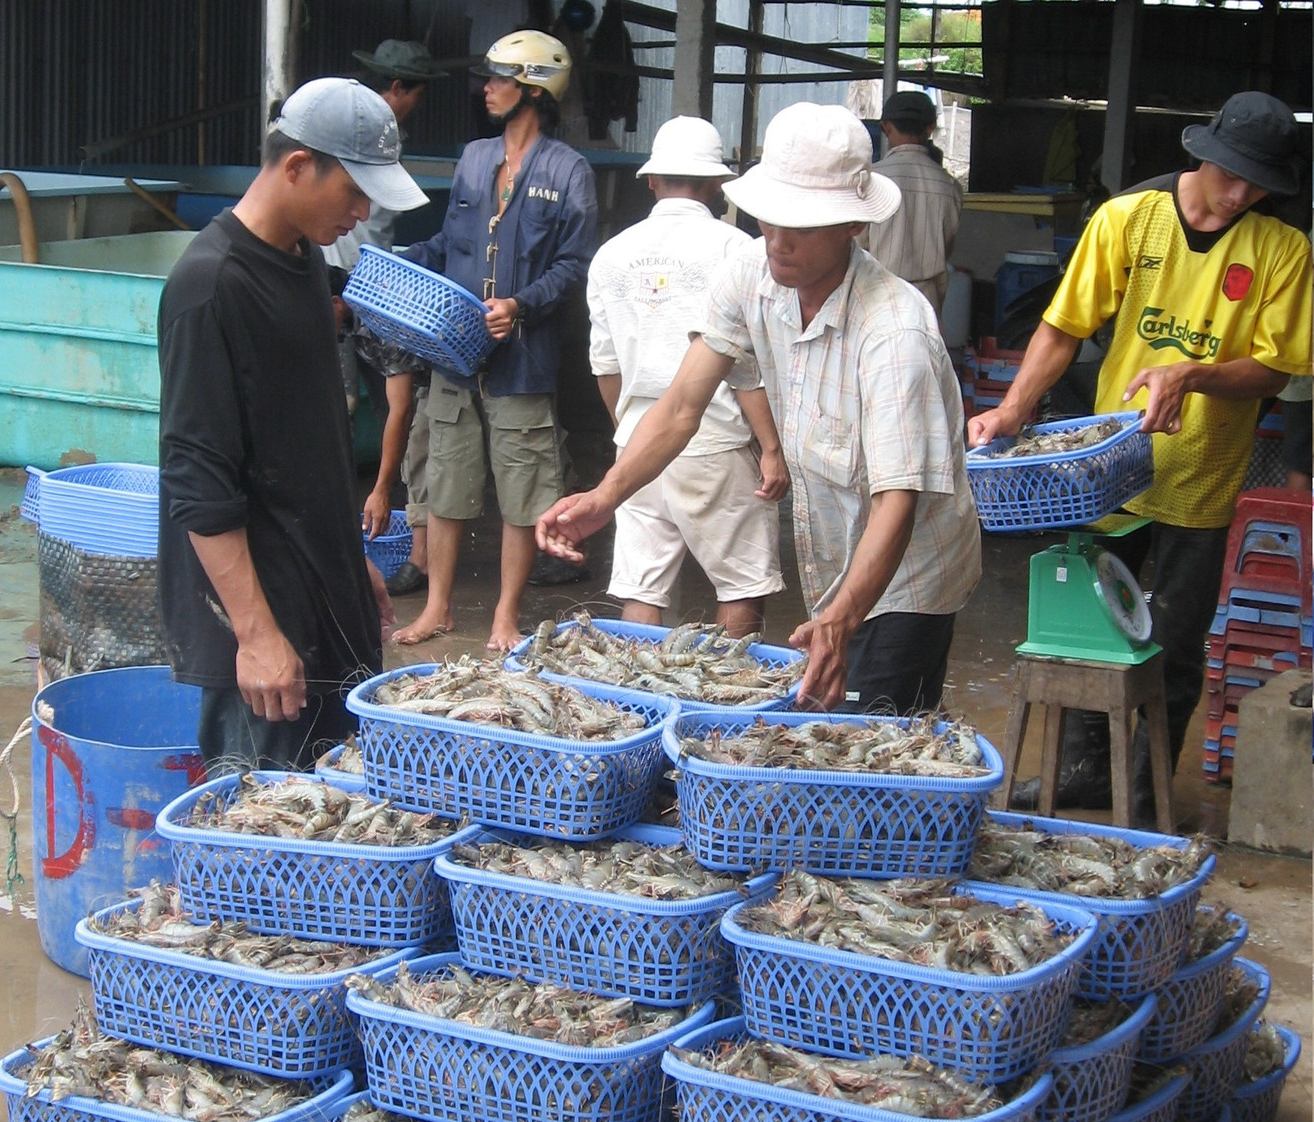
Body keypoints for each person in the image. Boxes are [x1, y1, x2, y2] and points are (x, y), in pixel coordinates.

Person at [538, 103, 982, 714]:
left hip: (910, 570)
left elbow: (896, 500)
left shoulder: (895, 329)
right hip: (834, 550)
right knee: (826, 728)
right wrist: (603, 497)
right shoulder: (750, 270)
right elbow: (678, 409)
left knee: (877, 741)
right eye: (770, 216)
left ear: (854, 226)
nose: (777, 238)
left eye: (802, 223)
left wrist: (840, 620)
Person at [968, 91, 1313, 821]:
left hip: (1204, 474)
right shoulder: (1129, 217)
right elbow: (1063, 327)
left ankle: (1149, 790)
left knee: (1175, 643)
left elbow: (1276, 370)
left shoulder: (1283, 249)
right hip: (1111, 469)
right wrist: (1013, 407)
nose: (1242, 193)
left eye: (1259, 184)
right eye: (1233, 175)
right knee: (1089, 627)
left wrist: (1192, 373)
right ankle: (1087, 774)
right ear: (1204, 153)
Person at [158, 77, 426, 774]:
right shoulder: (211, 287)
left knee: (341, 816)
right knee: (265, 837)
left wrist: (348, 556)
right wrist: (255, 635)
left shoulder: (306, 261)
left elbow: (308, 439)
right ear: (298, 166)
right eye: (354, 192)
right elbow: (198, 478)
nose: (363, 212)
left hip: (324, 597)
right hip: (266, 630)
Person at [391, 30, 598, 651]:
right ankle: (438, 609)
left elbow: (574, 265)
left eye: (500, 78)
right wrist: (398, 262)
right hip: (456, 355)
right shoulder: (474, 157)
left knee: (521, 493)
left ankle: (506, 615)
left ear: (534, 88)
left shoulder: (569, 171)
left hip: (525, 360)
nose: (488, 89)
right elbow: (449, 243)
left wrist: (520, 304)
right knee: (447, 487)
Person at [586, 116, 788, 638]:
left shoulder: (611, 254)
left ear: (652, 181)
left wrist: (631, 432)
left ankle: (635, 697)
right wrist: (770, 446)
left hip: (636, 440)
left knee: (641, 586)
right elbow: (749, 364)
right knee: (741, 582)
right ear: (718, 184)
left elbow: (606, 367)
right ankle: (729, 702)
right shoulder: (738, 250)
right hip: (716, 437)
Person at [323, 40, 448, 597]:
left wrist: (380, 490)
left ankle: (383, 524)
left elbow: (399, 409)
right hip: (340, 282)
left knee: (399, 411)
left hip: (368, 288)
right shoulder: (346, 130)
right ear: (399, 88)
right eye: (418, 93)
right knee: (337, 405)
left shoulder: (383, 316)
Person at [860, 89, 962, 327]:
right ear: (929, 129)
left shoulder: (872, 179)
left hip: (876, 295)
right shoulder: (949, 186)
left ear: (886, 126)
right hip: (927, 302)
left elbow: (858, 243)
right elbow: (947, 247)